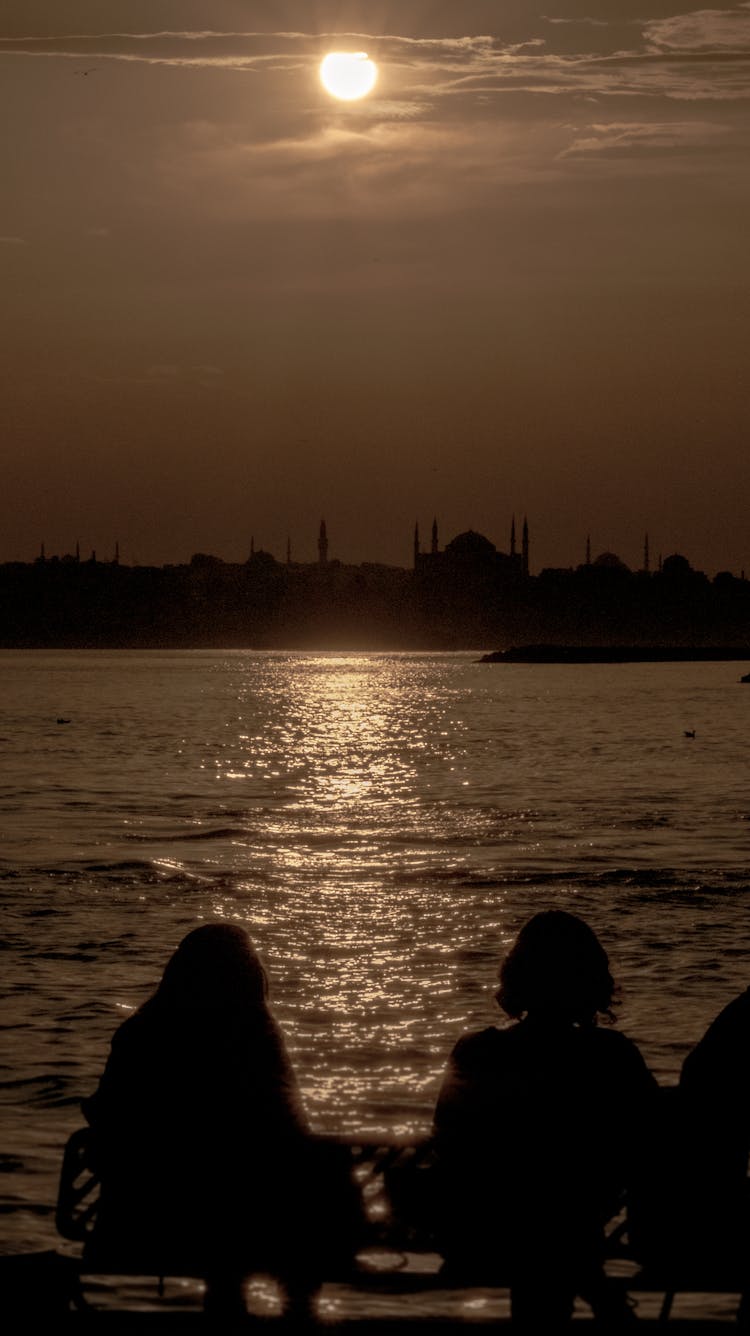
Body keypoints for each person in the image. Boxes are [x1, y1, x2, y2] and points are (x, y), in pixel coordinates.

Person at [81, 923, 335, 1317]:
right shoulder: (257, 1040)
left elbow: (107, 1121)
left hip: (143, 1225)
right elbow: (292, 1129)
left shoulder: (139, 1034)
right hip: (251, 1228)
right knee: (274, 1185)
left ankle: (229, 1312)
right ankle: (295, 1314)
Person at [432, 910, 657, 1331]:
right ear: (591, 979)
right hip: (573, 1226)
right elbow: (650, 1140)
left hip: (483, 1230)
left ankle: (591, 1290)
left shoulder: (476, 1051)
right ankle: (596, 1290)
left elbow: (447, 1144)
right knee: (559, 1210)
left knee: (539, 1214)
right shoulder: (610, 1056)